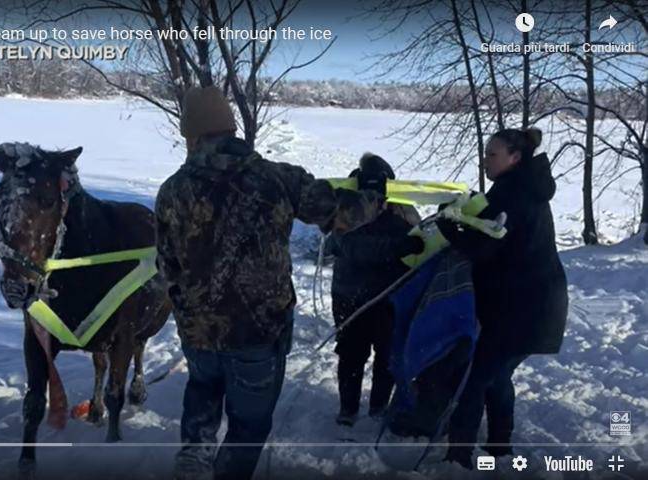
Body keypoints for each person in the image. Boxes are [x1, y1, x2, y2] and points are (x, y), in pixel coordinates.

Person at [154, 86, 385, 480]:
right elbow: (344, 216)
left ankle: (194, 456)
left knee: (203, 393)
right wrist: (375, 189)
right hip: (258, 332)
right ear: (231, 129)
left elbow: (167, 267)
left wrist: (188, 309)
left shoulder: (172, 191)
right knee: (249, 425)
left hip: (199, 331)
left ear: (191, 136)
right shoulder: (277, 178)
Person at [436, 127, 568, 468]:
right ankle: (499, 446)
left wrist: (449, 227)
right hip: (528, 303)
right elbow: (492, 234)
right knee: (495, 376)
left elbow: (486, 247)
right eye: (485, 153)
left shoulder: (515, 195)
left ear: (515, 157)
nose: (485, 160)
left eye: (492, 154)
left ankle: (459, 457)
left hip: (526, 306)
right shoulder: (516, 188)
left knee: (476, 377)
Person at [326, 153, 424, 426]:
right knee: (351, 353)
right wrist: (399, 247)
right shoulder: (346, 209)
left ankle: (379, 406)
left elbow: (421, 239)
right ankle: (348, 410)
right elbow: (351, 246)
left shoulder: (402, 209)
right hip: (352, 295)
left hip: (389, 295)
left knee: (387, 353)